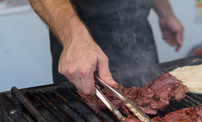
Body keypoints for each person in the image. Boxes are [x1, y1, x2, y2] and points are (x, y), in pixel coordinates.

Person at [28, 0, 184, 95]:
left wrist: (165, 12)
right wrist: (75, 37)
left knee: (153, 110)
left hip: (138, 32)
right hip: (82, 42)